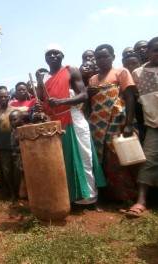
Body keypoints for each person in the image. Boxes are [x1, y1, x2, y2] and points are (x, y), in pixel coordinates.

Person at [37, 44, 106, 207]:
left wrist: (62, 101)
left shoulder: (71, 70)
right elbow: (40, 101)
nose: (53, 56)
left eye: (56, 53)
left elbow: (83, 95)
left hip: (73, 118)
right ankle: (69, 197)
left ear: (62, 55)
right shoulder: (43, 78)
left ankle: (90, 197)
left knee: (84, 156)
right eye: (49, 54)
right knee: (62, 160)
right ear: (45, 59)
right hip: (53, 122)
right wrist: (39, 106)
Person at [88, 44, 137, 201]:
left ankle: (126, 196)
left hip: (116, 121)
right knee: (101, 159)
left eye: (105, 57)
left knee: (117, 157)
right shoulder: (92, 79)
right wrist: (88, 93)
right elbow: (91, 103)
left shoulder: (121, 72)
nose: (102, 60)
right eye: (99, 58)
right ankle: (108, 196)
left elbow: (130, 97)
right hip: (97, 126)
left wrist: (129, 124)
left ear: (113, 57)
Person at [122, 36, 158, 217]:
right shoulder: (137, 74)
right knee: (148, 161)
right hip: (153, 125)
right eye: (155, 50)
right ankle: (141, 202)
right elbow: (134, 102)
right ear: (148, 52)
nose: (157, 54)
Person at [0, 86, 18, 200]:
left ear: (9, 97)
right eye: (1, 97)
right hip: (2, 147)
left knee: (17, 170)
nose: (3, 98)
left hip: (16, 145)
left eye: (5, 96)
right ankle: (13, 194)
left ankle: (20, 193)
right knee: (7, 172)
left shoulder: (15, 111)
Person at [9, 109, 28, 205]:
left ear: (22, 118)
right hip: (20, 159)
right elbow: (14, 149)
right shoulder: (13, 133)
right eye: (11, 120)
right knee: (23, 178)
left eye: (15, 119)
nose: (12, 122)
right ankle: (23, 197)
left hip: (30, 158)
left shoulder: (28, 128)